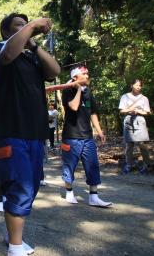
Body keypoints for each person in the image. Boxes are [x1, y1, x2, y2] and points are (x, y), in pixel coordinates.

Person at [0, 13, 60, 256]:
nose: (26, 29)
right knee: (19, 185)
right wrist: (31, 26)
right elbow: (9, 53)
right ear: (7, 33)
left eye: (26, 25)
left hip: (34, 132)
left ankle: (13, 239)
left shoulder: (32, 58)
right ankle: (15, 247)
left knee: (30, 185)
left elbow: (54, 71)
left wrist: (35, 44)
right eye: (18, 26)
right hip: (8, 130)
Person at [61, 66, 112, 208]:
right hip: (71, 136)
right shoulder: (68, 89)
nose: (87, 76)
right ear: (75, 77)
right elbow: (74, 107)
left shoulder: (88, 92)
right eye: (84, 74)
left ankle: (94, 196)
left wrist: (99, 131)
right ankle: (69, 192)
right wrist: (78, 89)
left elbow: (93, 112)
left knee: (92, 165)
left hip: (87, 136)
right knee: (69, 165)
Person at [119, 79, 152, 174]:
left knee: (142, 144)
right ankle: (129, 164)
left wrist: (139, 111)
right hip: (129, 120)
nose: (138, 87)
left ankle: (146, 164)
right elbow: (121, 111)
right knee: (129, 145)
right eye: (136, 85)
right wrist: (130, 109)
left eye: (140, 86)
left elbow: (147, 112)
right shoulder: (124, 97)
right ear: (131, 85)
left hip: (140, 120)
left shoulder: (144, 98)